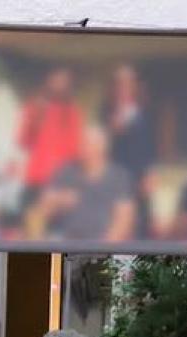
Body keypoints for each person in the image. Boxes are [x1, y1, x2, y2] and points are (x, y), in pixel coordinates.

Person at [37, 125, 136, 242]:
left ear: (102, 148)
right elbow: (42, 209)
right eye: (82, 143)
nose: (82, 148)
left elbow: (124, 219)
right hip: (66, 242)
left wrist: (103, 248)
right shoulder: (66, 172)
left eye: (88, 144)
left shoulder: (118, 177)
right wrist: (60, 199)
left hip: (102, 244)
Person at [102, 64, 157, 236]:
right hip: (115, 178)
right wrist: (111, 130)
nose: (123, 88)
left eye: (127, 83)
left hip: (139, 176)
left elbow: (151, 144)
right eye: (119, 84)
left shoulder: (145, 112)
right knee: (116, 222)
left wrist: (150, 172)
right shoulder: (105, 112)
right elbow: (101, 146)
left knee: (141, 223)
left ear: (134, 86)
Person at [17, 68, 84, 202]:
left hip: (62, 181)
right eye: (55, 81)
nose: (58, 86)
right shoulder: (34, 106)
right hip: (36, 178)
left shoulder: (73, 112)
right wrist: (35, 120)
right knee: (33, 214)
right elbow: (23, 141)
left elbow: (76, 150)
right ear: (47, 82)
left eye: (62, 82)